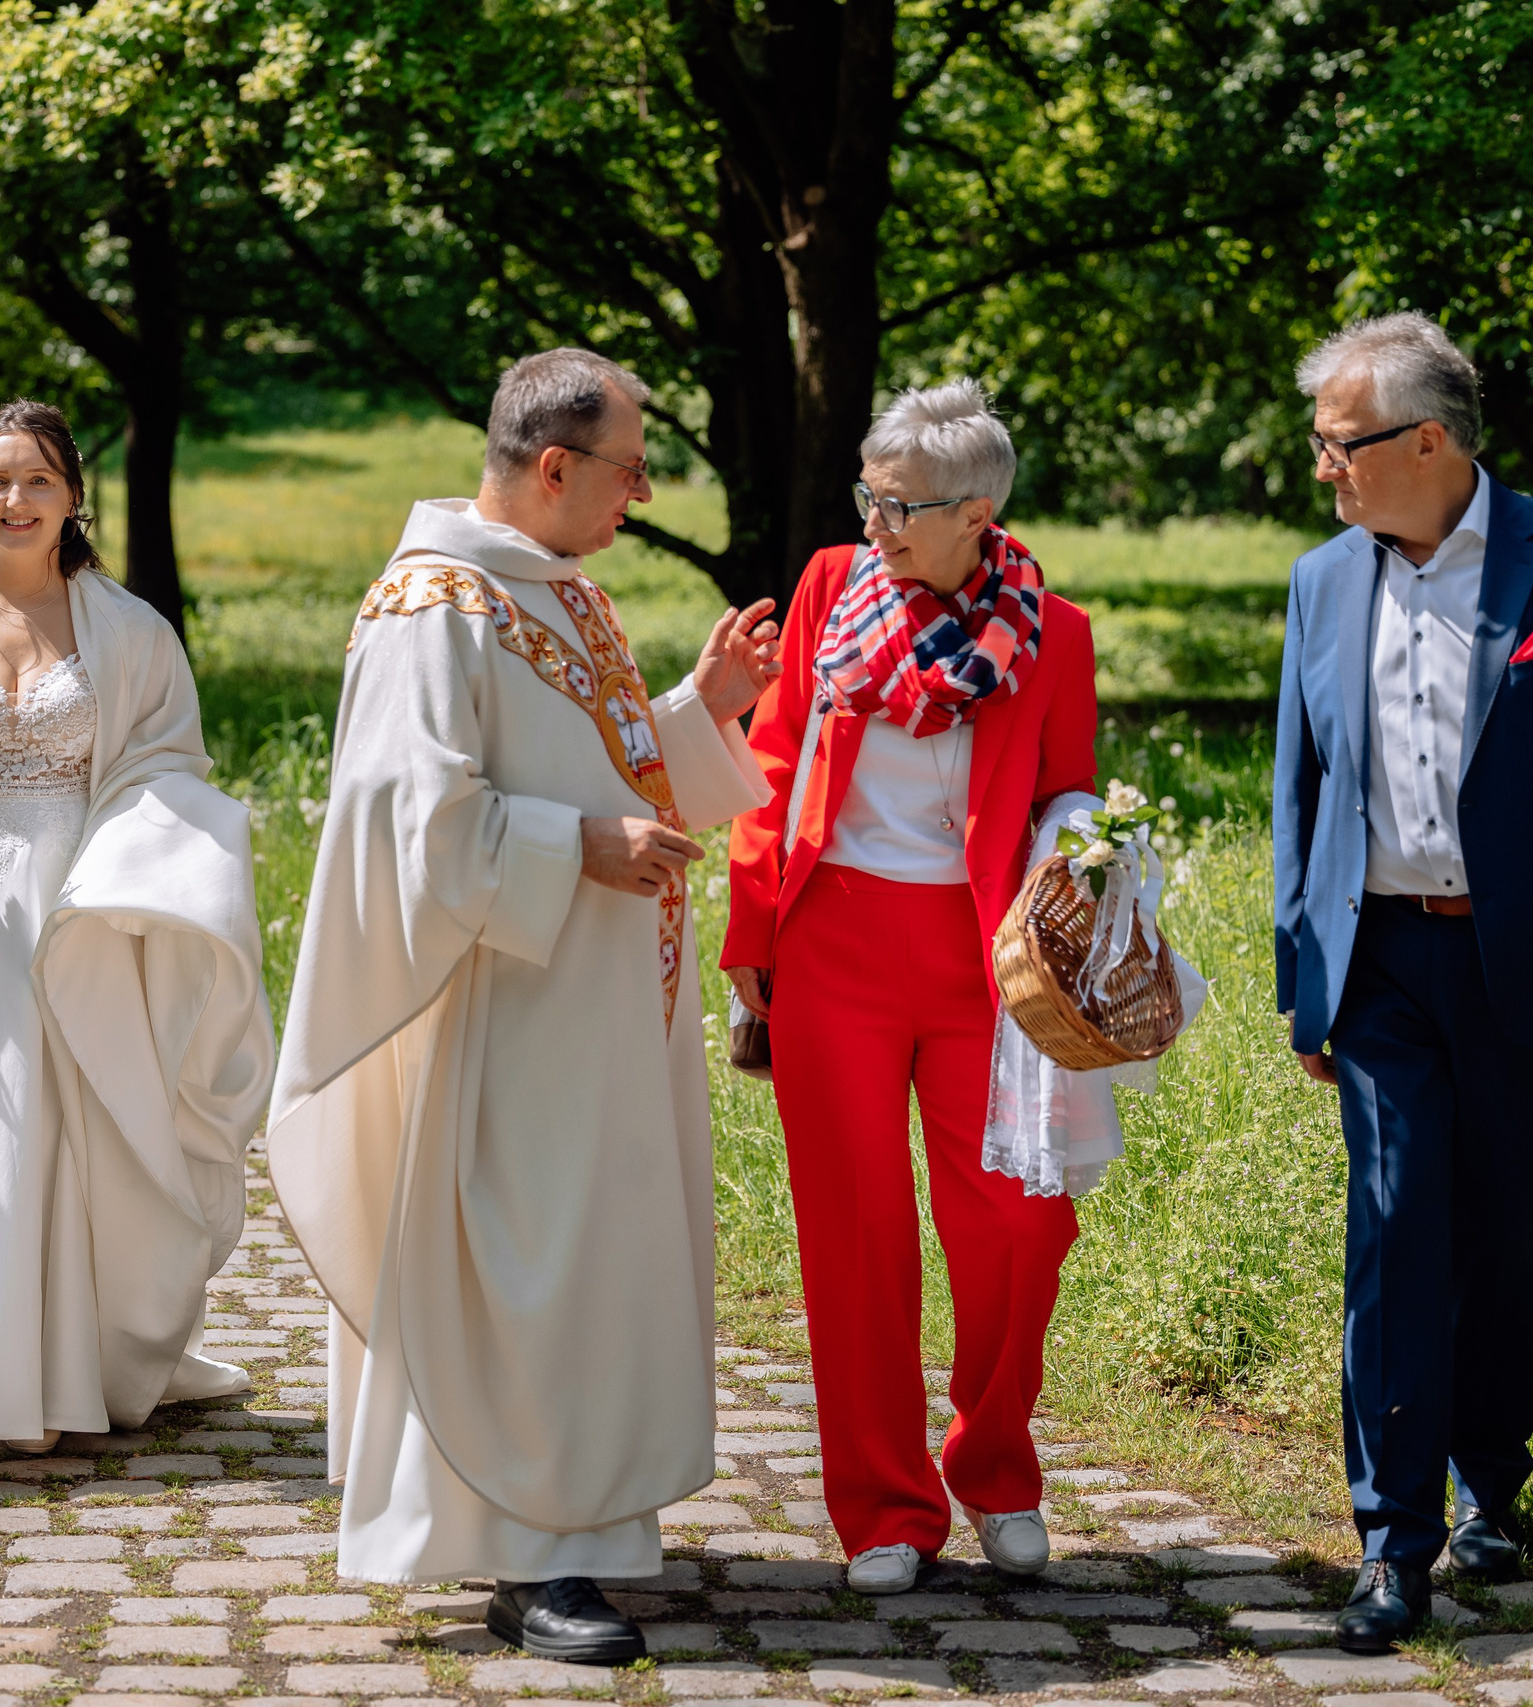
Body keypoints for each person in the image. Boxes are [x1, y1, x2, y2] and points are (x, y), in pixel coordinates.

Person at [267, 348, 778, 1661]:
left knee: (584, 1261)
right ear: (555, 465)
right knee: (526, 1264)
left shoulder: (562, 592)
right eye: (630, 468)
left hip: (595, 1010)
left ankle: (583, 1522)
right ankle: (529, 1554)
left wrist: (700, 712)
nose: (642, 493)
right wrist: (579, 848)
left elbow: (603, 773)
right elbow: (408, 820)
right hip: (506, 1010)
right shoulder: (431, 606)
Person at [1273, 314, 1533, 1648]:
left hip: (1529, 965)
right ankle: (1389, 1541)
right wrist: (1303, 977)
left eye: (1340, 444)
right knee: (1395, 1223)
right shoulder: (1321, 580)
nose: (1322, 467)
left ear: (1428, 441)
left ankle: (1487, 1485)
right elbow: (1299, 792)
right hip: (1378, 962)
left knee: (1506, 1224)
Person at [721, 379, 1100, 1595]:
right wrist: (751, 933)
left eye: (899, 506)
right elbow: (772, 756)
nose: (873, 523)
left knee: (1016, 1226)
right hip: (833, 945)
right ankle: (882, 1506)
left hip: (984, 963)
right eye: (868, 497)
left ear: (976, 514)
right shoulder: (833, 588)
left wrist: (1093, 844)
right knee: (855, 1231)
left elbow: (1069, 786)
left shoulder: (1056, 633)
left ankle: (994, 1466)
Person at [0, 399, 275, 1449]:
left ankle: (66, 1364)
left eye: (37, 479)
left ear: (73, 496)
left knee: (69, 1135)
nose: (16, 499)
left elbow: (170, 765)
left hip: (79, 903)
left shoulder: (131, 633)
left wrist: (131, 877)